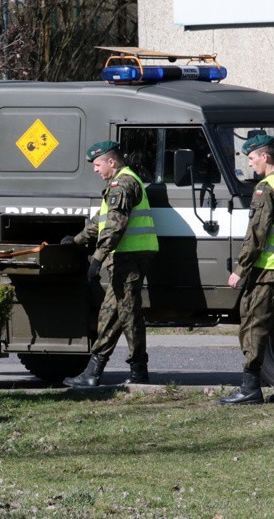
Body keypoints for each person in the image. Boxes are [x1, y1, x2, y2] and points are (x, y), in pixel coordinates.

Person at [62, 141, 159, 388]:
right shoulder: (119, 184)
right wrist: (76, 240)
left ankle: (129, 371)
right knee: (114, 313)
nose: (95, 170)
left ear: (111, 162)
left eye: (97, 164)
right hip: (128, 256)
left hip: (129, 257)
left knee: (126, 314)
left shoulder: (122, 184)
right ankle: (99, 371)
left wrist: (97, 258)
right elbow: (101, 220)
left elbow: (115, 226)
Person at [220, 133, 274, 405]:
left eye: (252, 157)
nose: (250, 163)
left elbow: (256, 235)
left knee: (253, 325)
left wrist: (240, 270)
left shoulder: (265, 188)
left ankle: (250, 388)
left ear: (265, 156)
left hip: (267, 271)